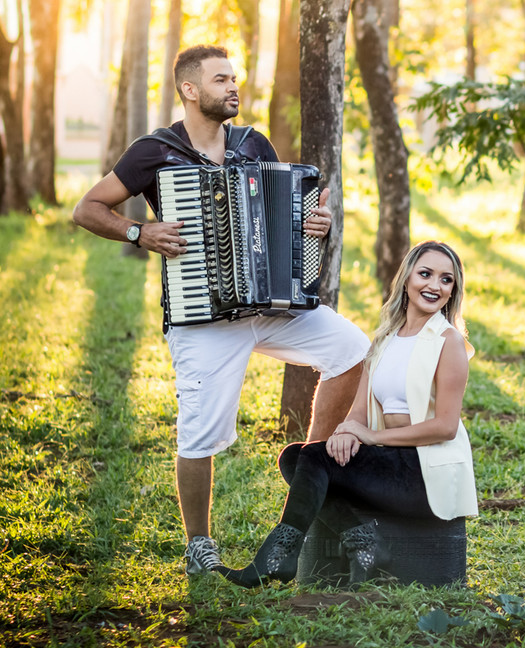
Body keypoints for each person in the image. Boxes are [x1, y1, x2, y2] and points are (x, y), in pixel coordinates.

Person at [72, 44, 369, 577]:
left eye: (234, 78)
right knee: (198, 433)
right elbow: (87, 208)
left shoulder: (253, 143)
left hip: (268, 304)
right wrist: (141, 231)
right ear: (190, 90)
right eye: (220, 79)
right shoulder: (154, 151)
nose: (233, 87)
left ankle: (313, 473)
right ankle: (199, 545)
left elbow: (287, 211)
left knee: (352, 348)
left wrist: (311, 225)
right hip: (201, 314)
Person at [217, 240, 478, 587]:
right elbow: (357, 413)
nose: (434, 285)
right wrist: (345, 432)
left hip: (424, 475)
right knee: (296, 457)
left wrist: (372, 436)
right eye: (426, 274)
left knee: (312, 459)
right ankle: (362, 542)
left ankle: (278, 557)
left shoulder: (449, 342)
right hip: (388, 466)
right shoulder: (384, 342)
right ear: (406, 279)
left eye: (446, 280)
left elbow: (445, 427)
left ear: (452, 291)